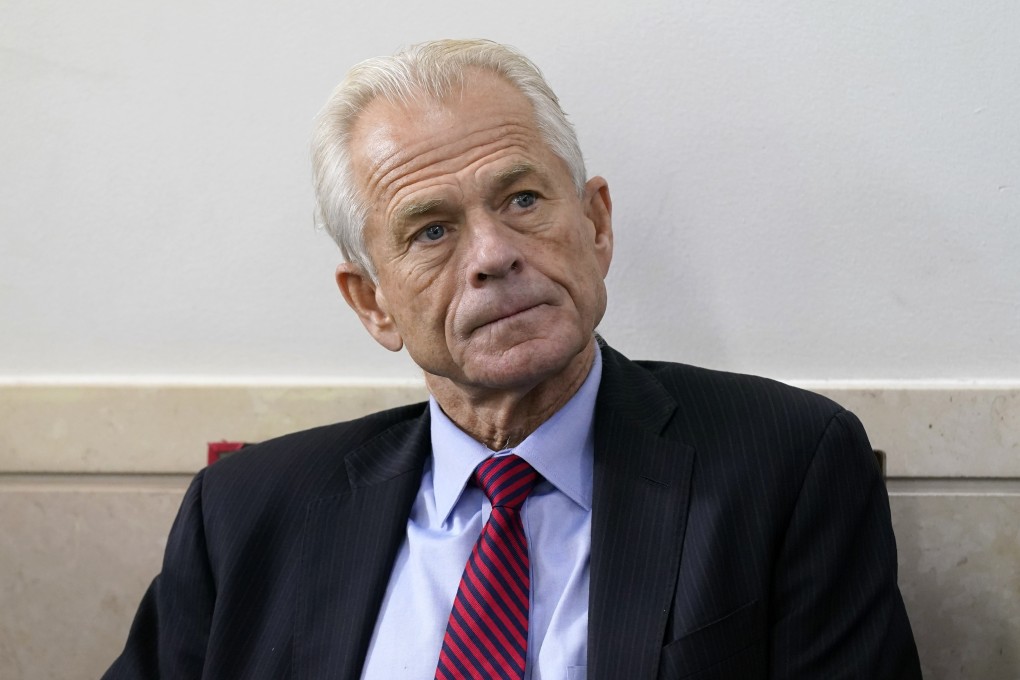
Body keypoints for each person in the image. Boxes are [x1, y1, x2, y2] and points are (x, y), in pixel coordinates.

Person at [104, 39, 922, 679]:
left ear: (596, 225)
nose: (494, 254)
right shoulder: (247, 513)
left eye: (522, 199)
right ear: (373, 303)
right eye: (432, 230)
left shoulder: (786, 464)